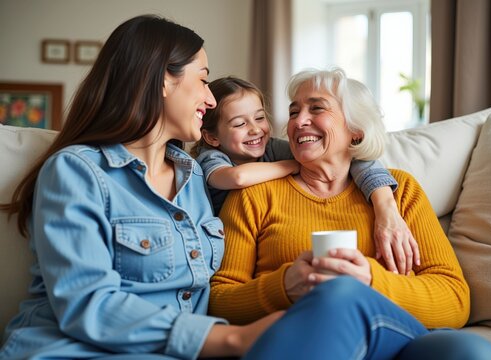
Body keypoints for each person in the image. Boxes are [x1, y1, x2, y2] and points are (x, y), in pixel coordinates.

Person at [0, 14, 284, 359]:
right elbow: (88, 305)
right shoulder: (77, 170)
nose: (210, 100)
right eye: (203, 80)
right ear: (164, 79)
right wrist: (231, 339)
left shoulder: (192, 175)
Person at [209, 68, 491, 359]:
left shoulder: (399, 192)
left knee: (472, 352)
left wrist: (370, 281)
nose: (299, 121)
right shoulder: (254, 195)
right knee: (337, 295)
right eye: (294, 112)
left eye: (317, 109)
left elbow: (454, 299)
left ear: (355, 132)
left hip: (396, 337)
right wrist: (285, 284)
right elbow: (219, 300)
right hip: (305, 334)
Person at [190, 76, 419, 274]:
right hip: (210, 248)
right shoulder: (210, 158)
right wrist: (295, 165)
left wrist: (384, 202)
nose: (255, 129)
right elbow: (237, 178)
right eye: (239, 123)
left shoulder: (270, 147)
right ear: (211, 137)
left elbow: (354, 158)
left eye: (260, 118)